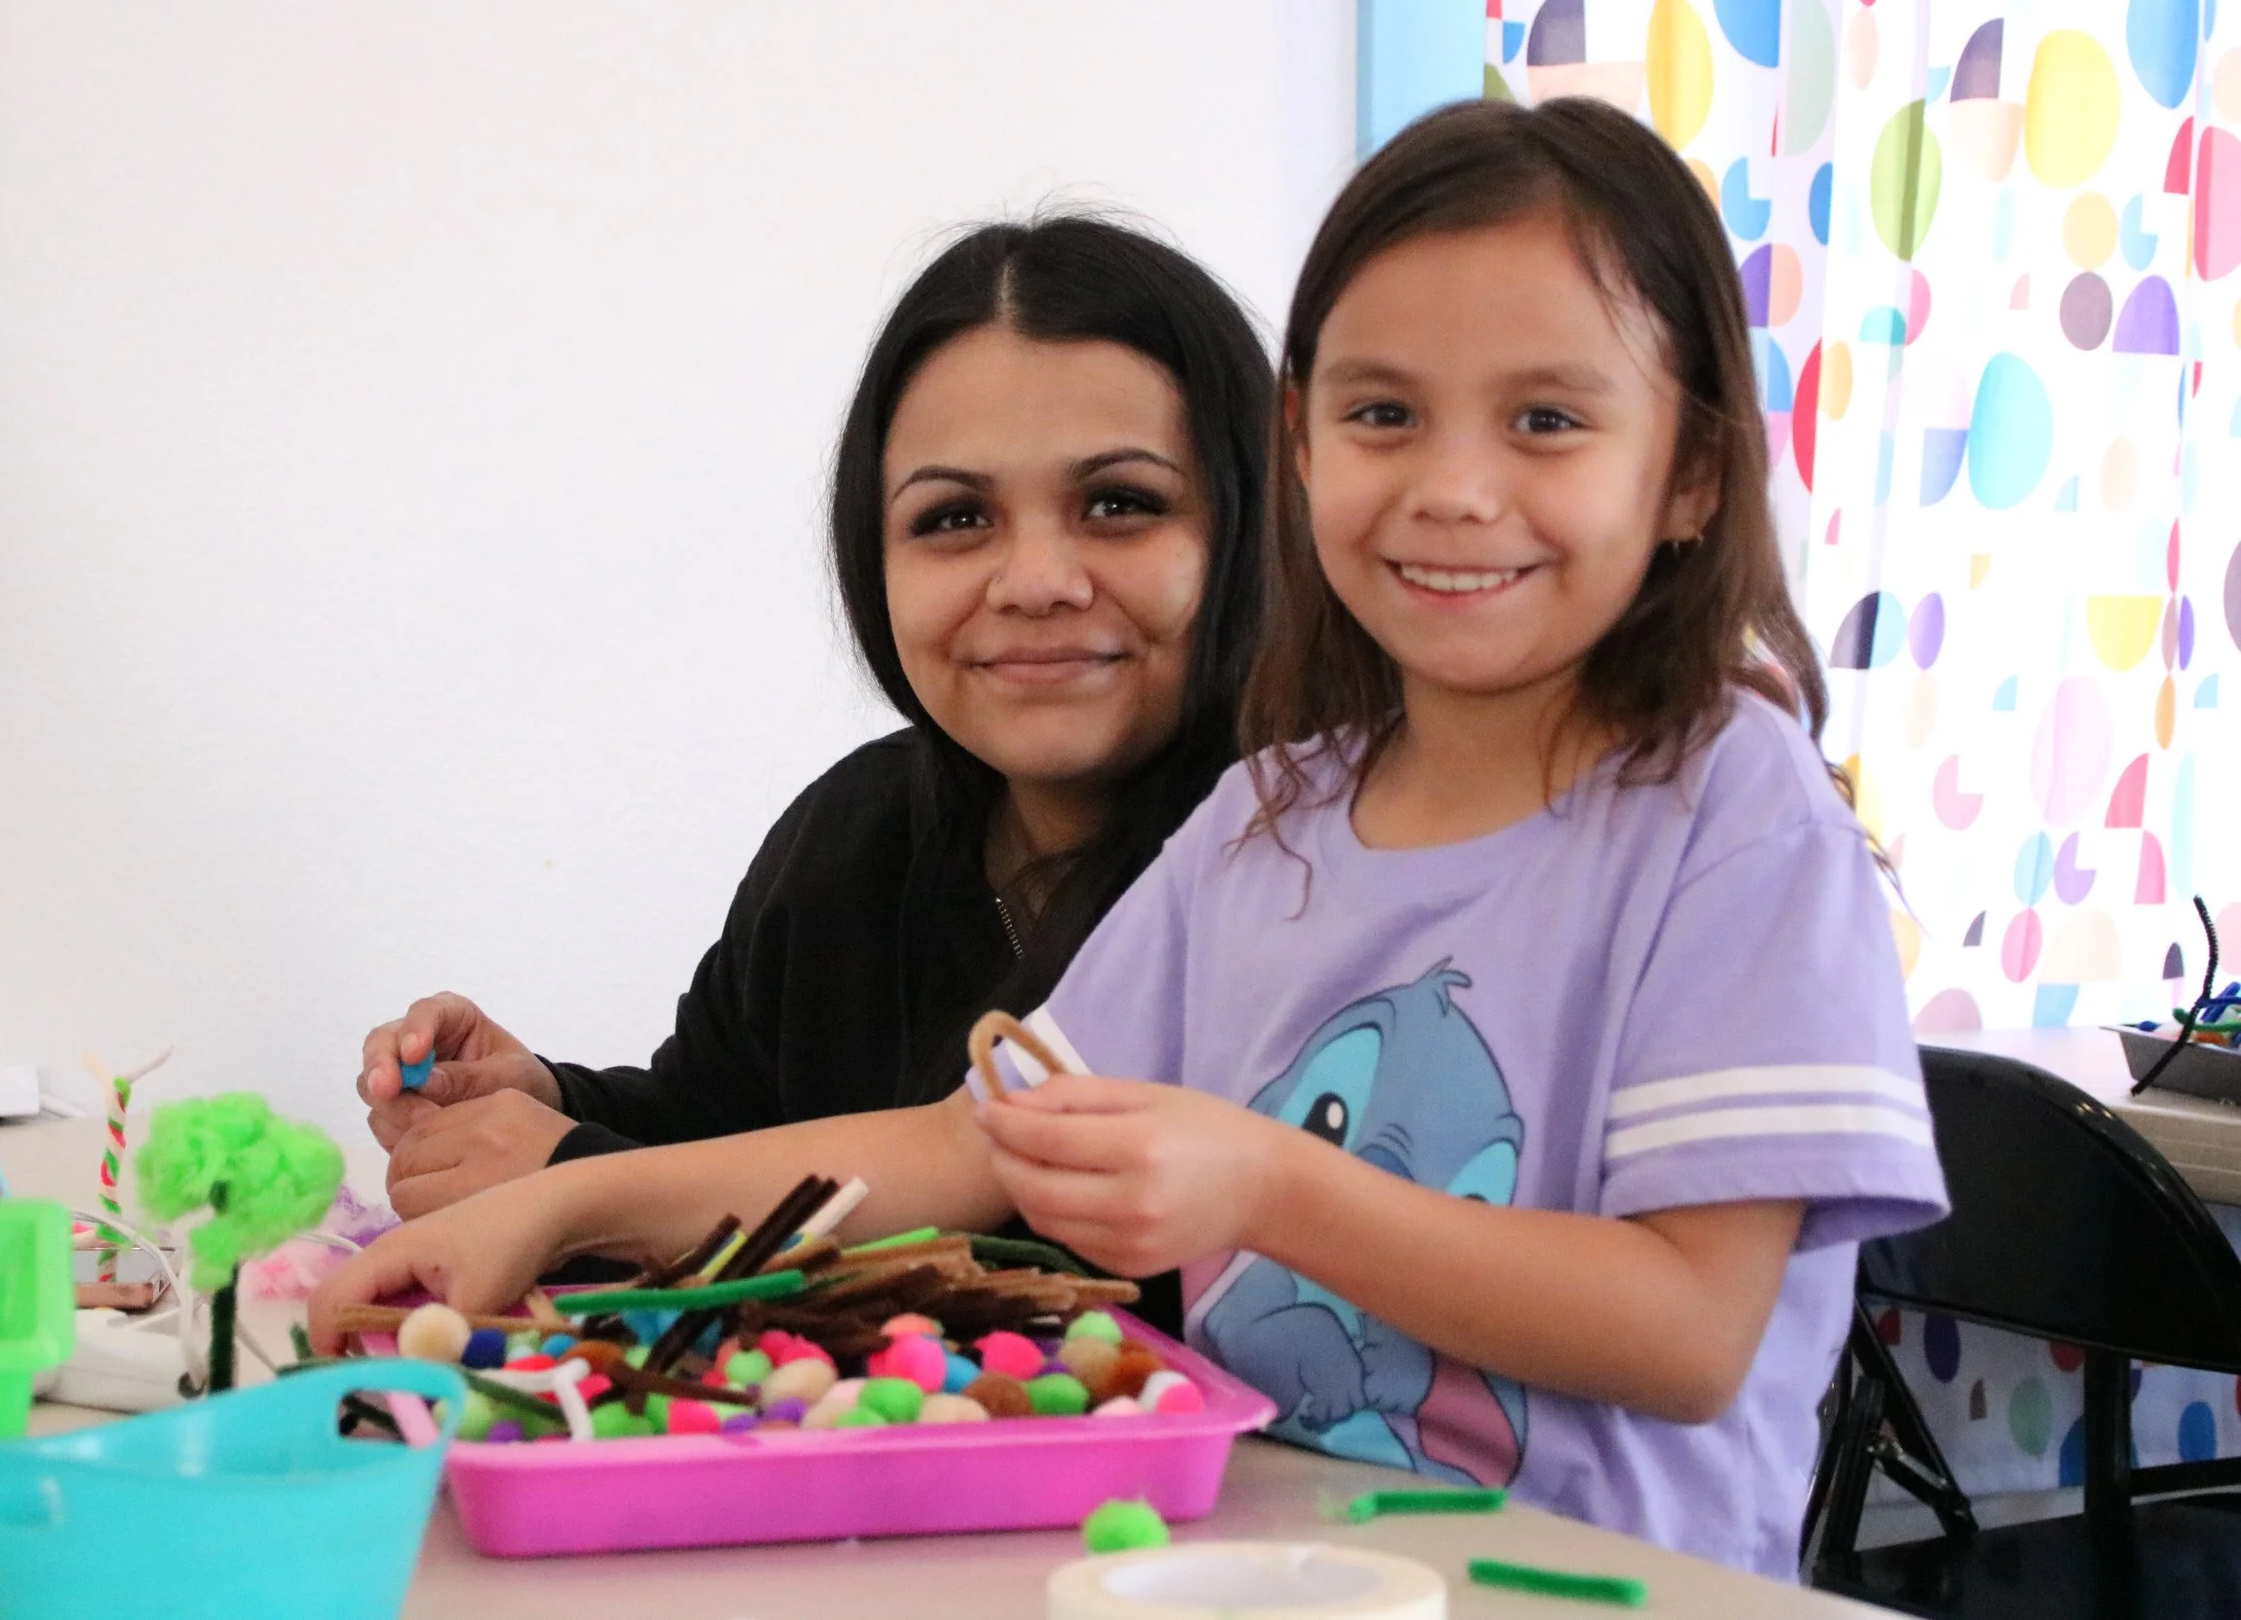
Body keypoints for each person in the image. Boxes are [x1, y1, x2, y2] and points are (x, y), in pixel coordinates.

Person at [312, 100, 1948, 1577]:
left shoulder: (1736, 812)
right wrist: (540, 1210)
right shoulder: (1272, 815)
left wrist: (1264, 1178)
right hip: (1265, 1561)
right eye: (1385, 413)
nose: (1454, 486)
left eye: (1546, 422)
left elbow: (1690, 1330)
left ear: (1691, 474)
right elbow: (969, 1143)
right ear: (1300, 441)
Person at [352, 216, 1274, 1241]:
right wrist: (549, 1104)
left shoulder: (1306, 861)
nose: (1036, 583)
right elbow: (718, 1129)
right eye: (955, 518)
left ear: (1255, 524)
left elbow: (1044, 1264)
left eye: (1117, 502)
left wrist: (570, 1177)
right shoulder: (855, 829)